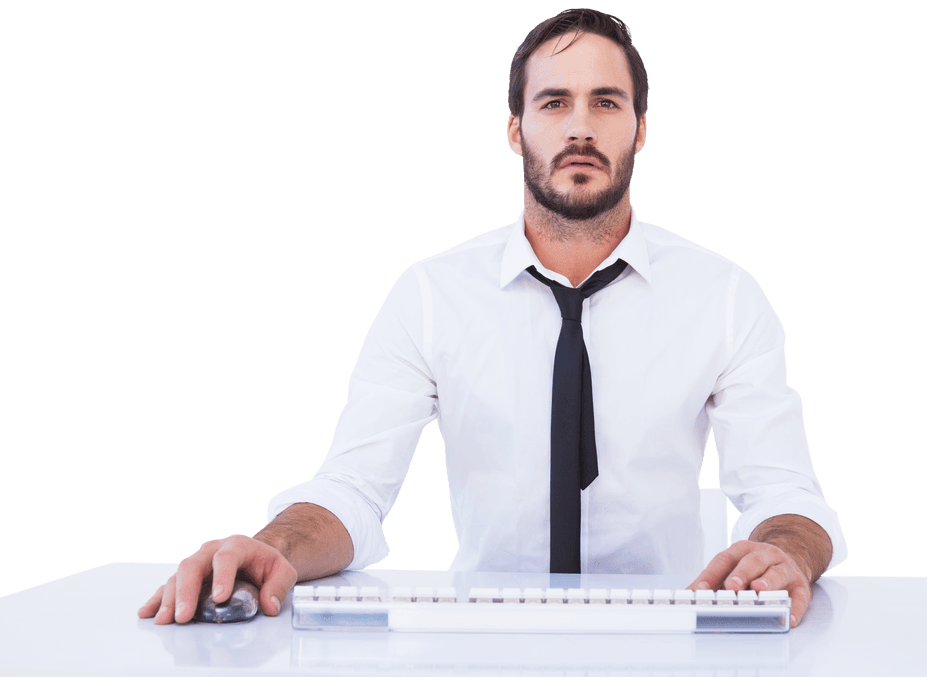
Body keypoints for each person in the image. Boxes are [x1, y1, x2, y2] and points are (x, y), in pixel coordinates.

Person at [139, 7, 848, 629]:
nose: (579, 127)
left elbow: (782, 490)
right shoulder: (431, 295)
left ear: (641, 129)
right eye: (553, 103)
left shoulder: (723, 295)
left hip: (672, 649)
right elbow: (353, 489)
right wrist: (274, 549)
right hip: (481, 651)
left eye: (606, 103)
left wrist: (783, 553)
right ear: (514, 129)